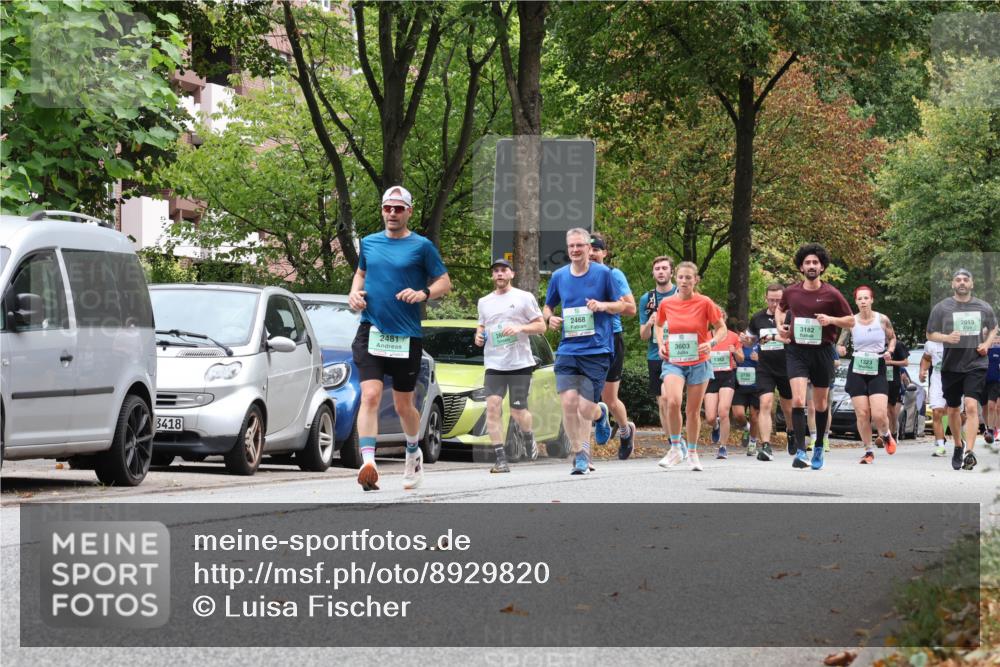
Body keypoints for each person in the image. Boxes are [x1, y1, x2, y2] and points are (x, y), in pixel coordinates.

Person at [349, 186, 451, 491]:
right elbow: (360, 274)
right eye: (387, 208)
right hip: (372, 331)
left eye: (398, 208)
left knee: (404, 404)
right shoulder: (368, 243)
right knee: (369, 396)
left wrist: (423, 293)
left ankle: (412, 451)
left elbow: (445, 282)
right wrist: (353, 294)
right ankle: (368, 462)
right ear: (381, 210)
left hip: (406, 336)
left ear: (409, 211)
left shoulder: (422, 247)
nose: (392, 213)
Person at [544, 227, 626, 475]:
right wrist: (550, 319)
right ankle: (579, 453)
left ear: (589, 249)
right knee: (568, 403)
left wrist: (603, 305)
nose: (576, 250)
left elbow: (625, 306)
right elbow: (548, 306)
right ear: (567, 249)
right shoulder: (559, 276)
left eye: (580, 245)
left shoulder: (604, 274)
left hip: (597, 349)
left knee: (585, 408)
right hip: (568, 348)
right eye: (572, 246)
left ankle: (600, 412)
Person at [775, 243, 854, 470]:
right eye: (807, 262)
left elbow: (850, 321)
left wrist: (831, 320)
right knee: (799, 400)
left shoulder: (832, 294)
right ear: (801, 267)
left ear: (822, 267)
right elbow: (781, 309)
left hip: (822, 351)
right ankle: (801, 450)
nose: (811, 266)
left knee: (819, 404)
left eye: (815, 263)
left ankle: (818, 444)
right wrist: (781, 326)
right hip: (797, 350)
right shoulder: (791, 291)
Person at [654, 262, 728, 471]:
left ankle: (693, 452)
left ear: (696, 280)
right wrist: (661, 345)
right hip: (674, 360)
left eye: (688, 278)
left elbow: (721, 328)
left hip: (699, 361)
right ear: (675, 278)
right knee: (672, 401)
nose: (684, 281)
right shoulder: (667, 303)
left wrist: (711, 343)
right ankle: (676, 448)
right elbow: (659, 325)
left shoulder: (705, 302)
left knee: (693, 411)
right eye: (681, 277)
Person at [474, 258, 546, 473]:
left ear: (512, 274)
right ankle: (500, 458)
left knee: (517, 411)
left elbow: (541, 326)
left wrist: (519, 328)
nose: (499, 274)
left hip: (519, 363)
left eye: (504, 270)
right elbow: (481, 326)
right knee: (493, 407)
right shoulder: (484, 301)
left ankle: (528, 435)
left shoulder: (524, 298)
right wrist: (478, 335)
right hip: (494, 364)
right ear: (492, 276)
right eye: (496, 271)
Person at [926, 268, 998, 471]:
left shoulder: (983, 307)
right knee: (953, 409)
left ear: (972, 284)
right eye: (958, 279)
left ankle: (969, 452)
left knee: (972, 406)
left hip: (976, 363)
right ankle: (958, 444)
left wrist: (987, 344)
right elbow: (930, 334)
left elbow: (994, 327)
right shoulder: (942, 308)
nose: (962, 282)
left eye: (966, 279)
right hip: (951, 365)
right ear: (952, 284)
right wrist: (946, 338)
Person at [588, 232, 638, 459]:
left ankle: (626, 431)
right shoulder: (574, 275)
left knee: (609, 398)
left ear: (604, 253)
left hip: (610, 338)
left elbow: (631, 309)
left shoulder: (613, 274)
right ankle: (582, 451)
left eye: (596, 249)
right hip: (584, 340)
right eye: (588, 249)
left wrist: (603, 306)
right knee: (582, 394)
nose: (591, 254)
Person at [836, 286, 897, 464]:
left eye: (866, 298)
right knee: (862, 413)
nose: (863, 301)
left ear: (871, 300)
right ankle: (868, 451)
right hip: (857, 367)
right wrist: (840, 348)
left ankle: (885, 434)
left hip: (877, 365)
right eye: (859, 299)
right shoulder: (851, 322)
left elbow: (892, 338)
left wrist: (890, 351)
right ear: (856, 302)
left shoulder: (882, 319)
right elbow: (840, 343)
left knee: (878, 414)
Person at [742, 283, 794, 462]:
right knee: (765, 404)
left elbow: (789, 340)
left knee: (788, 408)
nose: (774, 303)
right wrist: (747, 340)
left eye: (778, 300)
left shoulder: (790, 316)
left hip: (787, 366)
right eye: (771, 300)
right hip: (765, 368)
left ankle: (791, 431)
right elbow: (750, 341)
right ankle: (765, 446)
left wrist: (770, 337)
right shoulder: (757, 318)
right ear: (766, 299)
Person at [638, 256, 678, 439]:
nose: (661, 271)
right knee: (662, 401)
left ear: (672, 271)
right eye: (657, 269)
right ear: (653, 273)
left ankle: (677, 438)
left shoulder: (681, 294)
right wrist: (649, 323)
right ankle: (673, 441)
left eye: (664, 268)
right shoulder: (647, 299)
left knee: (673, 400)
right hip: (656, 355)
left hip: (680, 354)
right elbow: (643, 336)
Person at [705, 316, 744, 459]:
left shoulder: (733, 336)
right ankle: (715, 426)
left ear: (724, 319)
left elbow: (741, 359)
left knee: (723, 412)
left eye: (719, 317)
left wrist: (735, 351)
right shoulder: (706, 335)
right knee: (710, 417)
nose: (717, 320)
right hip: (710, 377)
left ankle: (723, 447)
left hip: (727, 376)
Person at [731, 330, 761, 457]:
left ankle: (753, 443)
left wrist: (759, 359)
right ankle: (746, 428)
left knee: (755, 418)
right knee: (738, 415)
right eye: (741, 335)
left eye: (746, 335)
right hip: (740, 386)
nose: (743, 337)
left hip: (756, 387)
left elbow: (770, 364)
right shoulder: (736, 346)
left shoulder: (759, 346)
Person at [920, 339, 949, 457]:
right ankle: (941, 446)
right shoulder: (930, 344)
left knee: (956, 413)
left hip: (955, 380)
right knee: (937, 412)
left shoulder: (958, 341)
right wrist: (922, 371)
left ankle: (961, 440)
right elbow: (926, 358)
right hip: (937, 381)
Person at [885, 339, 910, 442]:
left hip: (893, 380)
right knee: (881, 409)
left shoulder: (898, 344)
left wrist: (889, 362)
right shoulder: (876, 343)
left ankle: (894, 432)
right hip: (878, 379)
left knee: (891, 409)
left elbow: (905, 362)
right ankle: (883, 435)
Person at [985, 337, 1000, 445]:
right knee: (989, 406)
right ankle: (990, 429)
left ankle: (996, 430)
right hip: (989, 382)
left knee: (997, 407)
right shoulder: (985, 349)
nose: (995, 341)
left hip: (998, 381)